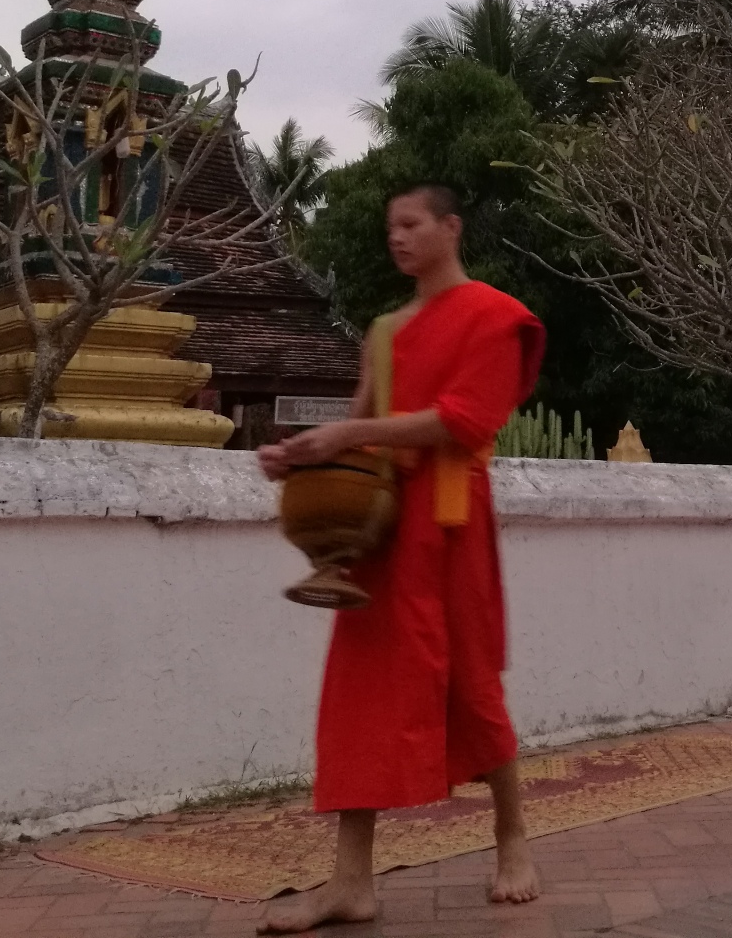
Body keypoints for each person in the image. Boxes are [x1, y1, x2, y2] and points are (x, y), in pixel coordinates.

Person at [256, 183, 545, 932]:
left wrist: (348, 438)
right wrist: (300, 457)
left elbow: (465, 420)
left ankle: (512, 840)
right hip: (381, 532)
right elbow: (361, 426)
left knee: (472, 686)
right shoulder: (385, 328)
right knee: (359, 694)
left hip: (451, 525)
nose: (398, 236)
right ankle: (351, 881)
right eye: (390, 225)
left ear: (452, 226)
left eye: (411, 223)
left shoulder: (493, 314)